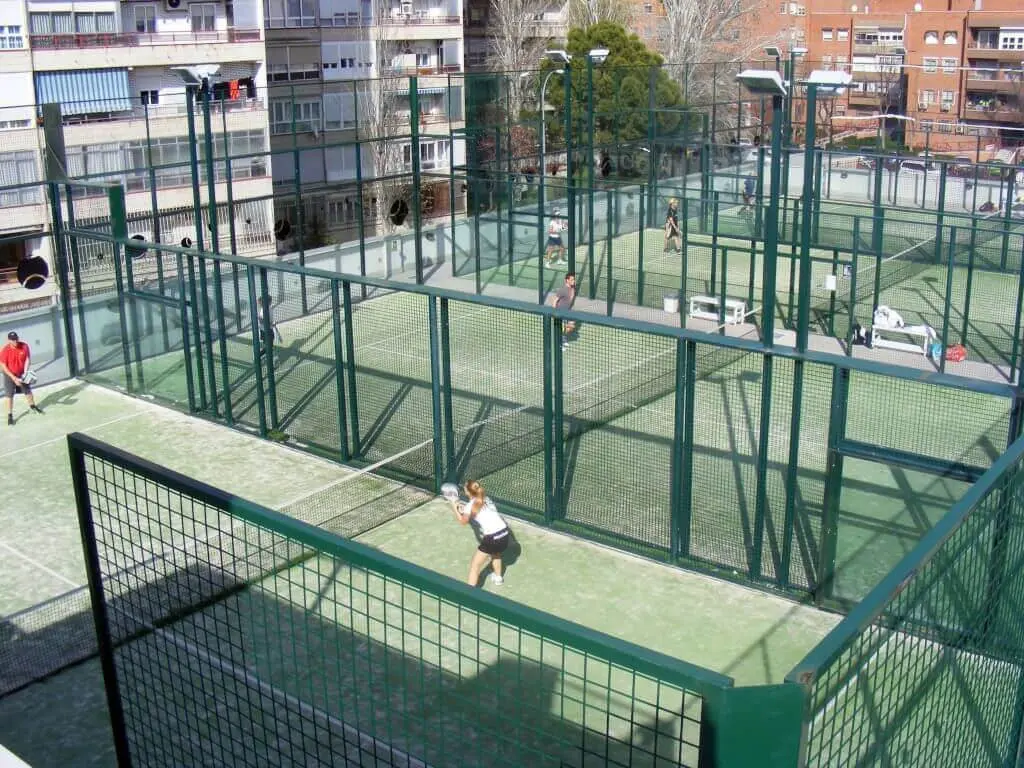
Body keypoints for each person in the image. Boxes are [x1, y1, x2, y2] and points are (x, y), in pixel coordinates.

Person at [447, 479, 510, 587]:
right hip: (505, 534)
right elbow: (479, 511)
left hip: (492, 538)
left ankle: (469, 595)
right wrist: (464, 509)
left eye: (465, 490)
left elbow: (463, 521)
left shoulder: (470, 506)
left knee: (475, 566)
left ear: (468, 492)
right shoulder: (486, 499)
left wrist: (454, 506)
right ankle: (498, 578)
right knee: (496, 553)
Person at [0, 332, 42, 426]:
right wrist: (14, 378)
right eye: (12, 339)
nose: (15, 341)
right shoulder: (5, 351)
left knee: (28, 391)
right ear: (9, 340)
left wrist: (25, 373)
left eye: (16, 339)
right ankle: (10, 415)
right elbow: (3, 366)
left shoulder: (24, 346)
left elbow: (27, 359)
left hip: (21, 373)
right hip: (9, 374)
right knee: (9, 395)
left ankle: (33, 406)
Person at [547, 272, 579, 349]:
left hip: (567, 311)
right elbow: (555, 301)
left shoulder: (572, 288)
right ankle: (560, 343)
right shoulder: (562, 290)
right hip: (560, 312)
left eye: (574, 279)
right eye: (571, 280)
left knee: (571, 325)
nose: (573, 281)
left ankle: (563, 337)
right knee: (562, 328)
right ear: (566, 280)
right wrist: (555, 312)